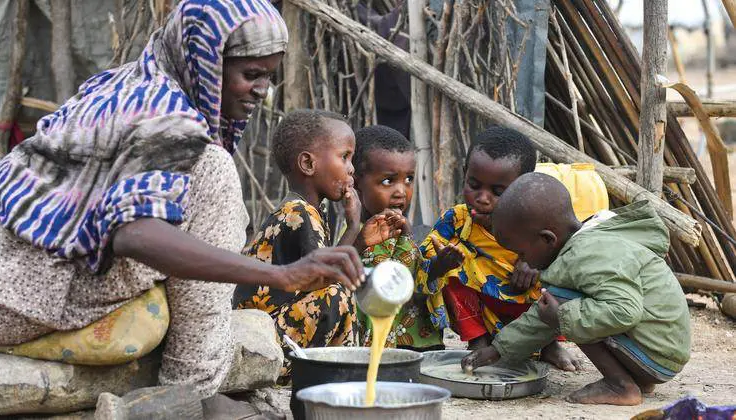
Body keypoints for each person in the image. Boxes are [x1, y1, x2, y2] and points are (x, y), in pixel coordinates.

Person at [0, 0, 365, 400]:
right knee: (215, 175)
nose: (262, 91)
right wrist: (281, 275)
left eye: (269, 77)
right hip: (16, 298)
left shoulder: (124, 83)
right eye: (251, 75)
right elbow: (133, 234)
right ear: (206, 62)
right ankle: (193, 386)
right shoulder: (171, 120)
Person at [461, 173, 691, 406]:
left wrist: (562, 316)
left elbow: (624, 311)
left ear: (547, 239)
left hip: (655, 355)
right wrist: (498, 349)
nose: (521, 261)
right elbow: (540, 317)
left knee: (563, 306)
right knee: (559, 305)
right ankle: (637, 379)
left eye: (521, 253)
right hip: (659, 352)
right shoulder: (585, 243)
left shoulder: (588, 255)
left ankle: (621, 386)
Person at [233, 111, 403, 367]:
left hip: (272, 331)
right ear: (308, 164)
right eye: (344, 157)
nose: (351, 168)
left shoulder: (304, 209)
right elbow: (329, 278)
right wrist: (353, 225)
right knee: (338, 295)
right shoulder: (299, 213)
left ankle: (346, 366)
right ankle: (345, 369)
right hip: (264, 344)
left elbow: (320, 276)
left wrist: (359, 239)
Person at [416, 126, 578, 371]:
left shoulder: (536, 221)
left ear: (522, 187)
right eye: (474, 185)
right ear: (464, 174)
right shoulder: (456, 220)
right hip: (482, 306)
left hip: (528, 306)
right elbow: (423, 260)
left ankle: (548, 345)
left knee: (560, 280)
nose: (482, 198)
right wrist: (441, 263)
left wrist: (535, 263)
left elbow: (569, 257)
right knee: (451, 267)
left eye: (498, 192)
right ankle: (478, 340)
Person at [352, 125, 443, 351]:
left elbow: (416, 282)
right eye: (388, 181)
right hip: (369, 349)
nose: (401, 191)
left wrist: (438, 262)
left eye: (409, 179)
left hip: (416, 345)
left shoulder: (407, 233)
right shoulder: (355, 234)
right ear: (356, 183)